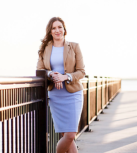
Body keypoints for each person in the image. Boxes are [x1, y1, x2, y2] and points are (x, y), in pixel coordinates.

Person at [37, 17, 85, 153]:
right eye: (54, 28)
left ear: (64, 29)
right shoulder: (45, 48)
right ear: (50, 32)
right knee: (66, 135)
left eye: (60, 27)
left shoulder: (74, 46)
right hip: (56, 95)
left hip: (73, 94)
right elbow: (40, 70)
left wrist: (65, 76)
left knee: (70, 135)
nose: (57, 30)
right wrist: (52, 74)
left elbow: (81, 71)